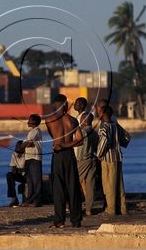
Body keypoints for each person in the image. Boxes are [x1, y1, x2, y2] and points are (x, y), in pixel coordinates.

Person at [45, 94, 83, 228]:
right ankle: (76, 220)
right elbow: (80, 140)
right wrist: (66, 145)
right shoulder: (72, 121)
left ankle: (59, 220)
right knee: (73, 188)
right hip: (69, 154)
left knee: (58, 189)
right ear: (65, 106)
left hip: (58, 155)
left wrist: (60, 145)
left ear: (55, 106)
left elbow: (53, 137)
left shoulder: (49, 120)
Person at [96, 105, 127, 215]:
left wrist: (99, 155)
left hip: (108, 158)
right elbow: (127, 136)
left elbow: (103, 142)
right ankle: (122, 208)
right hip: (118, 156)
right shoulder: (115, 125)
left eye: (99, 112)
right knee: (119, 184)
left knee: (109, 185)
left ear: (103, 114)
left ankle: (111, 209)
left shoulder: (105, 127)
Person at [76, 112, 98, 216]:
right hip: (92, 159)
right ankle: (89, 209)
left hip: (83, 159)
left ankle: (73, 206)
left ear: (84, 121)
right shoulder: (94, 132)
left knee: (75, 181)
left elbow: (79, 146)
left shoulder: (83, 132)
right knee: (90, 185)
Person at [19, 114, 43, 207]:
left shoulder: (35, 131)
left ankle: (37, 201)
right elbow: (30, 144)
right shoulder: (33, 131)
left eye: (29, 120)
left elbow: (29, 143)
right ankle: (30, 200)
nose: (28, 121)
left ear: (34, 122)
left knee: (36, 180)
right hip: (29, 158)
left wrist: (22, 146)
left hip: (34, 158)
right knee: (30, 180)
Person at [6, 140, 26, 207]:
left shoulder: (27, 154)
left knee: (13, 175)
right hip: (19, 174)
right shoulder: (14, 154)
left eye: (18, 146)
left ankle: (16, 200)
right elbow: (13, 168)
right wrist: (17, 171)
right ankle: (14, 198)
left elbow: (27, 168)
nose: (16, 148)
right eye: (16, 146)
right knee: (9, 175)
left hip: (26, 176)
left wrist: (18, 170)